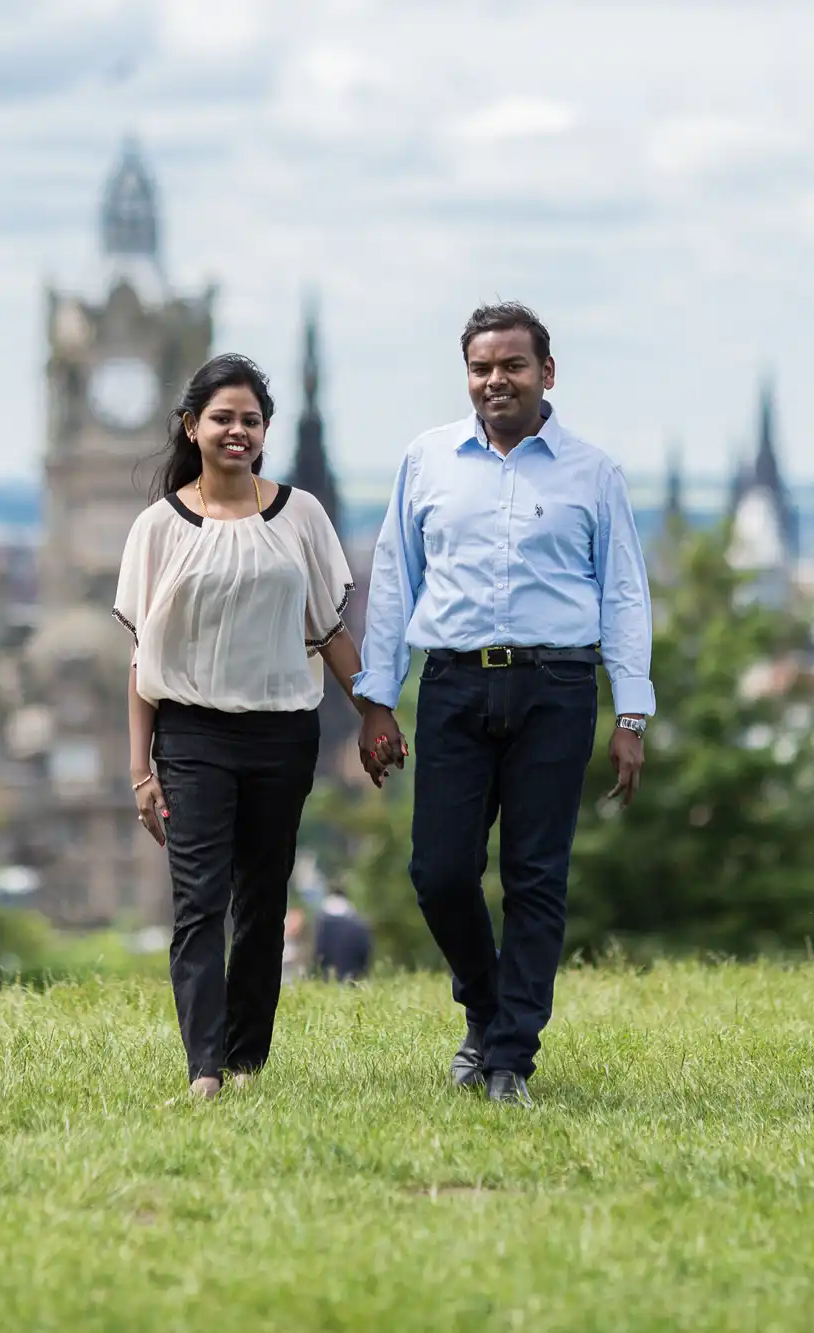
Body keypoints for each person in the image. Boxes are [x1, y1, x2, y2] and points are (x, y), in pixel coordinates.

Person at [353, 302, 654, 1106]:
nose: (497, 380)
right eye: (482, 367)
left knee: (535, 876)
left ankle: (510, 1057)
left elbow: (625, 595)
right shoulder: (427, 461)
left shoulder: (594, 473)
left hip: (556, 687)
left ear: (546, 373)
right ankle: (485, 1009)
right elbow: (394, 582)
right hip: (451, 683)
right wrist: (377, 699)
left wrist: (631, 713)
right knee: (439, 870)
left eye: (513, 365)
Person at [117, 353, 388, 1101]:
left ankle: (245, 1058)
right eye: (222, 417)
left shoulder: (301, 515)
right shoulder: (158, 527)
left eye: (250, 419)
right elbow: (142, 657)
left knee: (262, 901)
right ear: (191, 427)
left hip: (281, 733)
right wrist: (141, 769)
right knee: (199, 900)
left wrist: (374, 711)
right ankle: (204, 1069)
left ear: (264, 432)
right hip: (193, 734)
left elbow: (331, 631)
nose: (236, 430)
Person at [311, 889, 373, 982]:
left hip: (331, 969)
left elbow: (319, 949)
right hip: (353, 967)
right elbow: (365, 947)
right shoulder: (355, 918)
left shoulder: (323, 918)